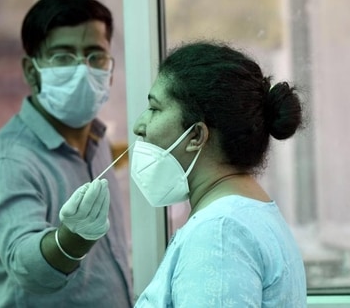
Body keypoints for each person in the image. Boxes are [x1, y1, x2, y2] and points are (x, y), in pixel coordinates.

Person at [0, 0, 133, 307]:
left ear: (110, 68)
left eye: (95, 56)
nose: (83, 70)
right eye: (63, 56)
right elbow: (26, 266)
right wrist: (71, 240)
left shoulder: (97, 142)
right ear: (32, 71)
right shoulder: (9, 162)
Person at [131, 41, 307, 307]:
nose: (139, 126)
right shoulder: (244, 214)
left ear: (196, 136)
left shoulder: (220, 233)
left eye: (154, 109)